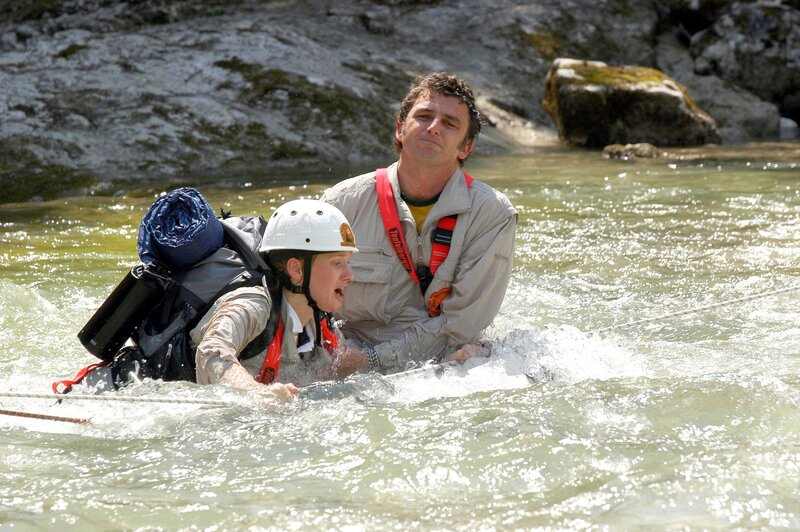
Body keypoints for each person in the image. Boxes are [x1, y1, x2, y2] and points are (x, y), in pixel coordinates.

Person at [321, 72, 518, 375]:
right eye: (424, 116)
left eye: (450, 123)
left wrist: (372, 360)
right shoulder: (341, 203)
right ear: (400, 128)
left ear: (465, 148)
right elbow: (304, 298)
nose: (434, 127)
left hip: (438, 366)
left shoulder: (492, 214)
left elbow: (461, 324)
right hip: (347, 357)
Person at [191, 199, 358, 403]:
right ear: (296, 269)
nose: (350, 275)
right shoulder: (253, 305)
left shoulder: (320, 320)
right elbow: (211, 352)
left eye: (348, 261)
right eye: (337, 262)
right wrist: (255, 391)